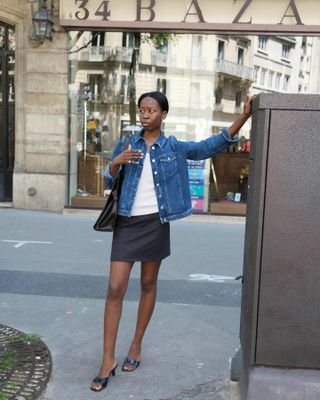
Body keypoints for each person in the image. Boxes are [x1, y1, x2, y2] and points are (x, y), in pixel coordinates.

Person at [90, 91, 254, 392]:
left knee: (148, 284)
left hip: (155, 222)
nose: (144, 115)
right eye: (141, 110)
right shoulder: (127, 143)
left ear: (163, 115)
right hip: (126, 223)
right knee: (115, 288)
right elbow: (108, 179)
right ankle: (107, 359)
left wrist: (243, 117)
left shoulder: (173, 146)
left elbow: (209, 147)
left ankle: (136, 345)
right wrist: (115, 163)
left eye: (151, 110)